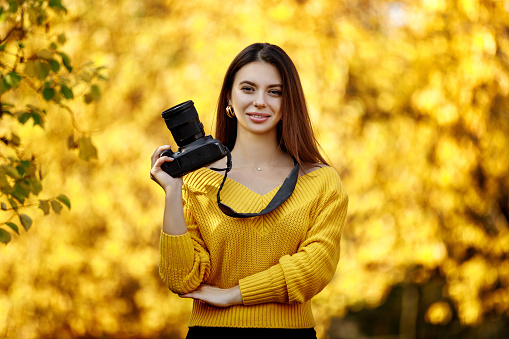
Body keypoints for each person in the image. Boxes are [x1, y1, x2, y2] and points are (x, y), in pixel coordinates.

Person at [150, 43, 348, 339]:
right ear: (229, 97)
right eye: (248, 88)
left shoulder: (321, 181)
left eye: (274, 92)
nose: (259, 101)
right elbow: (181, 278)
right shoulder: (197, 180)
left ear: (288, 102)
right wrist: (172, 191)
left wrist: (235, 294)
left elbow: (314, 269)